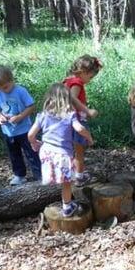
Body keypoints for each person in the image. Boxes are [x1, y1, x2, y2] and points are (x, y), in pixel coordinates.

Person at [28, 83, 94, 217]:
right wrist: (89, 138)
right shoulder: (70, 115)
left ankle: (58, 188)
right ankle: (67, 207)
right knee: (66, 183)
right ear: (67, 99)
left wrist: (34, 143)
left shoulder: (43, 115)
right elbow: (80, 129)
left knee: (59, 177)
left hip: (46, 151)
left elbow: (30, 134)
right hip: (62, 154)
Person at [0, 65, 41, 185]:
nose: (4, 90)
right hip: (8, 132)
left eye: (5, 87)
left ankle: (39, 174)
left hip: (24, 130)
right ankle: (19, 175)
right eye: (0, 88)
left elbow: (31, 106)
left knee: (31, 152)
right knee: (14, 154)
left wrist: (20, 117)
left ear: (11, 80)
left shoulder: (20, 91)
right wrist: (0, 117)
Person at [63, 55, 102, 186]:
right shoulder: (77, 82)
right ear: (83, 72)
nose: (90, 80)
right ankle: (79, 177)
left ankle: (73, 173)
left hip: (67, 119)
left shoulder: (67, 80)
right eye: (90, 77)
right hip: (77, 119)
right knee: (79, 149)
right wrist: (87, 110)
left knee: (71, 149)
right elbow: (73, 98)